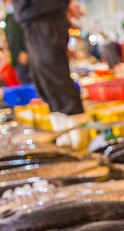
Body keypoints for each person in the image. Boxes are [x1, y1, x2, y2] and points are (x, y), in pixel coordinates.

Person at [12, 0, 87, 149]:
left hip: (46, 15)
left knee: (56, 75)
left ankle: (80, 141)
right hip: (31, 18)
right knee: (42, 81)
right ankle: (64, 138)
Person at [3, 0, 30, 84]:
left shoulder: (23, 14)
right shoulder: (8, 18)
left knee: (29, 80)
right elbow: (8, 37)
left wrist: (24, 51)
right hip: (15, 57)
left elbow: (26, 34)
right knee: (22, 79)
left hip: (25, 55)